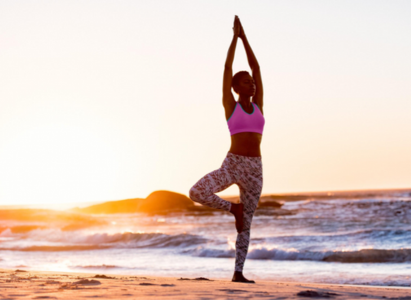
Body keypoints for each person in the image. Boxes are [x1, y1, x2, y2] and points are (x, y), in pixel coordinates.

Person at [189, 15, 264, 284]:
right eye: (246, 82)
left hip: (255, 169)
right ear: (235, 88)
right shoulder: (230, 106)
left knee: (248, 225)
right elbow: (227, 66)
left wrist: (245, 38)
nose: (252, 84)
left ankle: (238, 273)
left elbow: (255, 66)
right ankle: (233, 210)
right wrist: (233, 38)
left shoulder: (259, 105)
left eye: (252, 83)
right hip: (232, 164)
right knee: (196, 192)